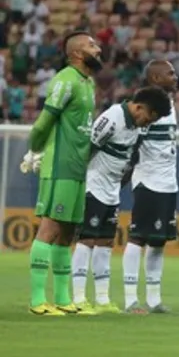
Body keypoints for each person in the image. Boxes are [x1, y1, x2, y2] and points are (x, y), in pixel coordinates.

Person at [71, 87, 171, 314]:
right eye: (149, 118)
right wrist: (79, 185)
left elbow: (130, 159)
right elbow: (87, 150)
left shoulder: (136, 128)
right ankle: (78, 298)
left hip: (111, 190)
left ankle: (103, 298)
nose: (147, 124)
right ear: (139, 107)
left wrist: (118, 185)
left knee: (106, 241)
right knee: (87, 239)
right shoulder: (111, 118)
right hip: (93, 185)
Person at [24, 32, 103, 316]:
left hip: (78, 166)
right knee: (50, 228)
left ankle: (62, 298)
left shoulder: (88, 82)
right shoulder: (64, 80)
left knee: (67, 232)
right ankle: (36, 301)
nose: (99, 48)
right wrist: (34, 151)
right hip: (59, 165)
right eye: (92, 45)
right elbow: (44, 121)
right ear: (76, 54)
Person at [122, 61, 179, 314]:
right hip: (148, 181)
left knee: (159, 241)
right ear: (155, 77)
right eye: (170, 73)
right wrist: (122, 180)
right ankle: (130, 299)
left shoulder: (169, 105)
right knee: (138, 238)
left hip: (168, 182)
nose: (176, 77)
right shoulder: (145, 107)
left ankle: (154, 299)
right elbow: (133, 147)